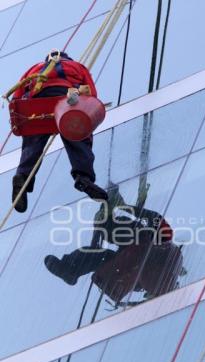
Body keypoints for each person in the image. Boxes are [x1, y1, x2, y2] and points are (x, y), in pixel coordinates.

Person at [44, 184, 184, 307]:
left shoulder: (159, 246)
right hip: (130, 261)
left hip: (133, 257)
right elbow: (154, 219)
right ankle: (70, 270)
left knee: (101, 252)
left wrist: (122, 207)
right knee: (99, 254)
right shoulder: (156, 264)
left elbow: (154, 218)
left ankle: (70, 269)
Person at [12, 49, 108, 213]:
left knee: (33, 142)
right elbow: (90, 92)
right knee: (79, 136)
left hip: (36, 102)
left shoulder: (35, 68)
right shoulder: (77, 66)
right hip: (66, 99)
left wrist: (18, 108)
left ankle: (22, 176)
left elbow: (18, 92)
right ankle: (83, 177)